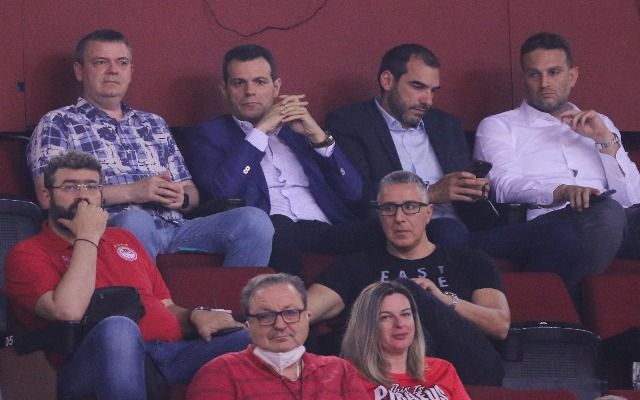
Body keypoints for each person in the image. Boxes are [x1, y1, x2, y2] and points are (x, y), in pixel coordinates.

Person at [4, 151, 250, 399]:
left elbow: (165, 306)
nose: (83, 195)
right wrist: (87, 237)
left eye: (91, 186)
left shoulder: (123, 238)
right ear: (47, 196)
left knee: (251, 337)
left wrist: (195, 314)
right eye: (70, 187)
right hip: (86, 365)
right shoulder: (27, 253)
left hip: (166, 355)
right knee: (119, 327)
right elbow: (68, 311)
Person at [326, 43, 581, 272]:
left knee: (560, 234)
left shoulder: (445, 125)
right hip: (408, 234)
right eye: (418, 87)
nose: (427, 100)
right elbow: (357, 193)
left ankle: (527, 305)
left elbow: (466, 197)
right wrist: (430, 194)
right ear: (387, 80)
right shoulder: (351, 123)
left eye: (433, 90)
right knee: (448, 231)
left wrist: (476, 191)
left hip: (465, 232)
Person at [27, 29, 273, 265]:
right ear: (80, 71)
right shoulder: (58, 122)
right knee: (136, 221)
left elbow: (191, 192)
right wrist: (134, 192)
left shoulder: (153, 123)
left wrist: (181, 197)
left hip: (176, 228)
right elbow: (49, 196)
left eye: (122, 63)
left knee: (254, 221)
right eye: (101, 62)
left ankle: (237, 296)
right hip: (111, 229)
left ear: (130, 71)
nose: (113, 70)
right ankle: (145, 296)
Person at [186, 44, 380, 274]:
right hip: (274, 229)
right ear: (224, 90)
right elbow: (223, 191)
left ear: (276, 87)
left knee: (385, 229)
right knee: (279, 224)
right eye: (239, 83)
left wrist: (317, 136)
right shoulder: (208, 134)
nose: (250, 91)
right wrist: (261, 131)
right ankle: (292, 297)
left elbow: (353, 192)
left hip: (326, 227)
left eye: (260, 82)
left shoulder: (299, 133)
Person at [473, 32, 640, 297]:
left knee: (613, 213)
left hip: (614, 220)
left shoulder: (601, 123)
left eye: (553, 72)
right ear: (524, 78)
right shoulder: (499, 125)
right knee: (608, 213)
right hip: (552, 222)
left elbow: (631, 198)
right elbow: (503, 186)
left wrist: (604, 139)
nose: (544, 83)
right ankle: (560, 304)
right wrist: (561, 191)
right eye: (534, 74)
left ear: (572, 76)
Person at [308, 170, 509, 386]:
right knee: (400, 304)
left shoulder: (469, 260)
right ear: (379, 215)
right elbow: (303, 312)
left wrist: (441, 299)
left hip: (466, 368)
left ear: (429, 212)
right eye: (389, 208)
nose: (399, 218)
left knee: (407, 291)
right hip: (382, 373)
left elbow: (499, 325)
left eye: (411, 207)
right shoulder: (355, 265)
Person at [187, 273, 368, 399]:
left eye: (290, 313)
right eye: (266, 316)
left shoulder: (340, 370)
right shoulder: (219, 373)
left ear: (307, 317)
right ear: (248, 326)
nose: (280, 325)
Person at [342, 281, 470, 399]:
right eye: (386, 317)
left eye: (405, 314)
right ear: (366, 326)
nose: (400, 324)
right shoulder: (346, 376)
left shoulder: (442, 370)